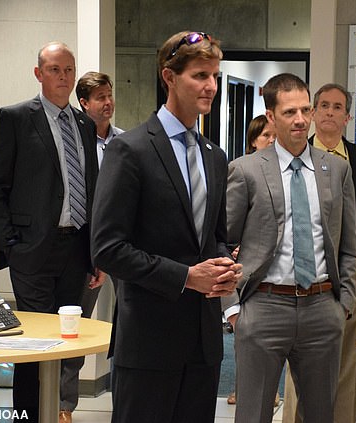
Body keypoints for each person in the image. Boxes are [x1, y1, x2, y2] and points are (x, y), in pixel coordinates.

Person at [90, 31, 242, 423]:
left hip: (203, 343)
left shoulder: (214, 156)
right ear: (169, 77)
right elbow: (107, 248)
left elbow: (216, 239)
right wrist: (187, 276)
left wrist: (223, 266)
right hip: (148, 341)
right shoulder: (131, 149)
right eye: (199, 75)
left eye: (214, 75)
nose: (210, 85)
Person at [0, 41, 105, 422]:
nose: (63, 77)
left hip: (77, 249)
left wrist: (97, 252)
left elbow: (93, 186)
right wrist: (10, 246)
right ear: (39, 73)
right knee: (35, 346)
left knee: (68, 342)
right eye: (54, 69)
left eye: (68, 69)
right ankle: (28, 416)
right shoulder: (15, 118)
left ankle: (56, 412)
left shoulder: (85, 123)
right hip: (31, 251)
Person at [224, 73, 356, 423]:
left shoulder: (338, 170)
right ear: (271, 116)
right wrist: (233, 308)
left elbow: (348, 246)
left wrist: (342, 304)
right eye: (289, 112)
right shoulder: (246, 170)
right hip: (263, 307)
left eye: (305, 110)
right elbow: (220, 242)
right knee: (252, 414)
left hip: (321, 308)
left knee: (319, 414)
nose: (300, 120)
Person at [282, 83, 356, 423]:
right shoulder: (291, 156)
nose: (329, 111)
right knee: (302, 366)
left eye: (337, 107)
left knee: (346, 368)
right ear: (312, 114)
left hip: (352, 282)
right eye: (322, 105)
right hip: (304, 281)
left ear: (347, 116)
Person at [50, 71, 124, 423]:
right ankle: (64, 404)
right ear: (84, 103)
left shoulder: (126, 144)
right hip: (87, 251)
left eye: (110, 96)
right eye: (100, 98)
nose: (108, 103)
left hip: (127, 247)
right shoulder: (75, 146)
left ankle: (127, 395)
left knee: (132, 324)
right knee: (74, 325)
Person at [226, 113, 278, 407]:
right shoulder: (241, 172)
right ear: (252, 142)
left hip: (281, 282)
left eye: (274, 136)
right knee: (245, 343)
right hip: (249, 279)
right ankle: (242, 388)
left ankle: (271, 390)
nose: (271, 141)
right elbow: (228, 230)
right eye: (265, 137)